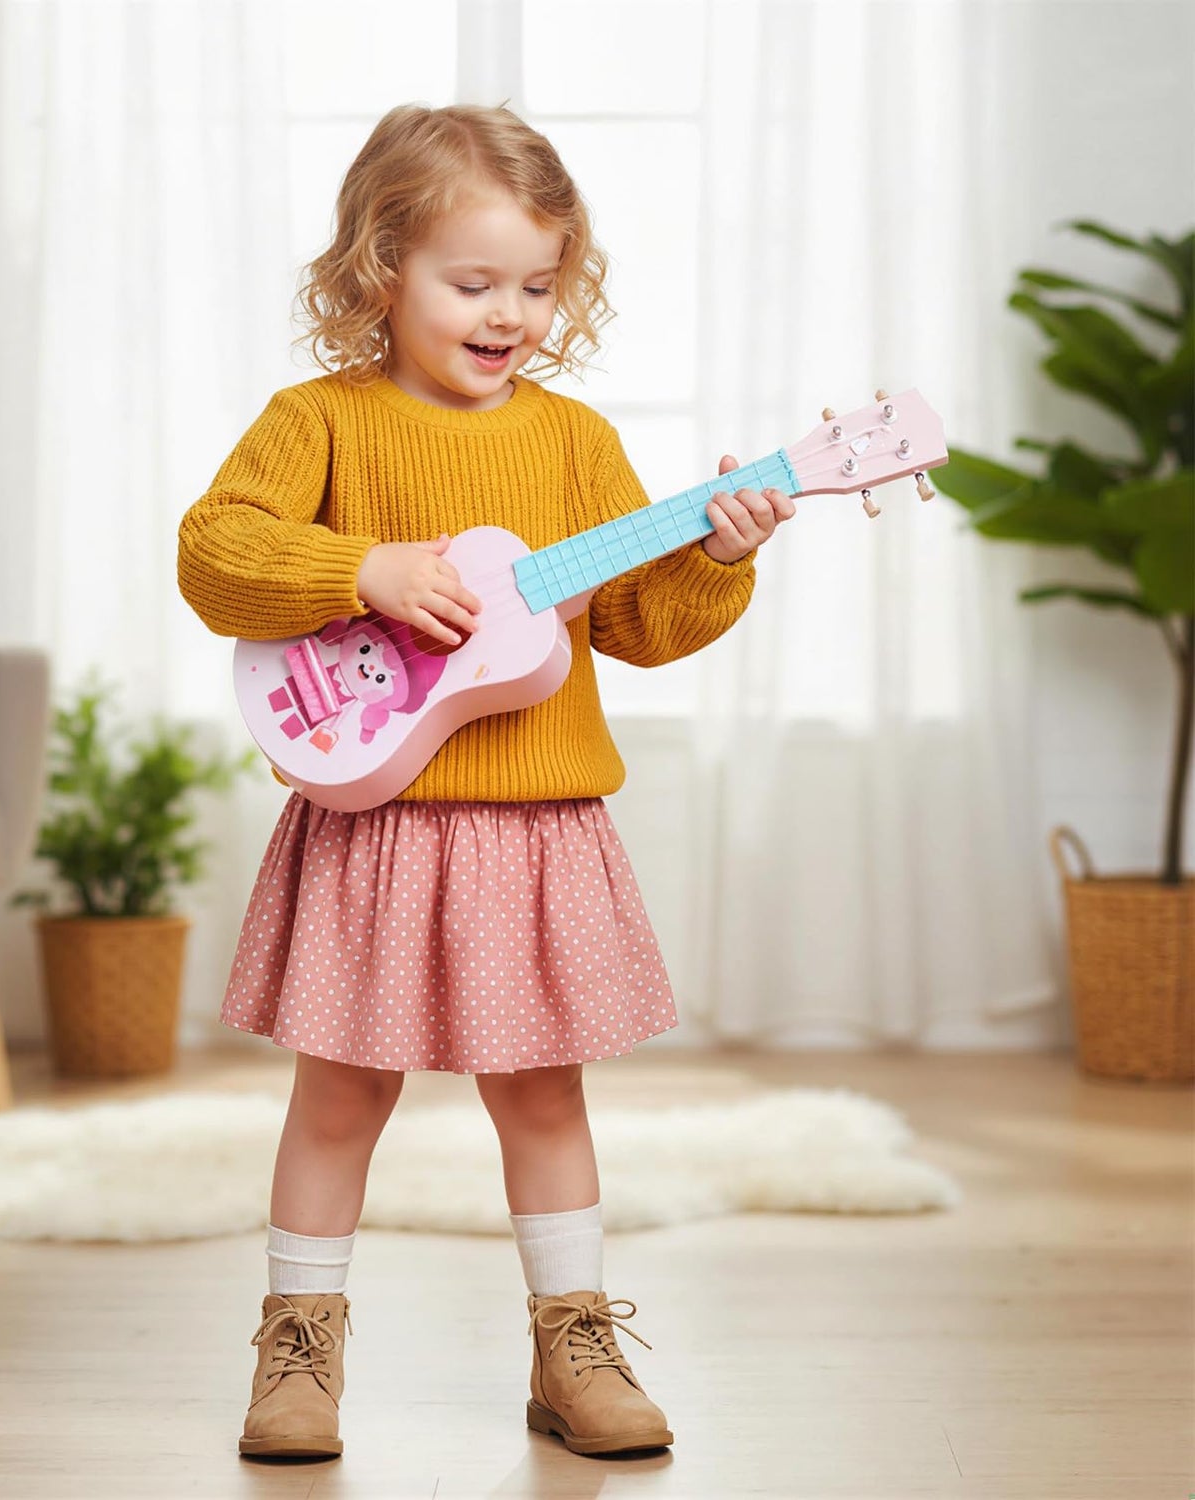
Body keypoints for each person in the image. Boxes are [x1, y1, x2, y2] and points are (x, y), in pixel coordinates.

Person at [177, 101, 794, 1463]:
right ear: (377, 269)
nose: (509, 311)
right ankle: (299, 1352)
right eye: (473, 282)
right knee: (340, 1095)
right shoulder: (316, 421)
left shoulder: (575, 446)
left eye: (536, 284)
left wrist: (721, 554)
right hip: (373, 829)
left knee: (545, 1096)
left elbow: (636, 625)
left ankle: (573, 1344)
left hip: (538, 833)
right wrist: (363, 571)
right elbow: (214, 553)